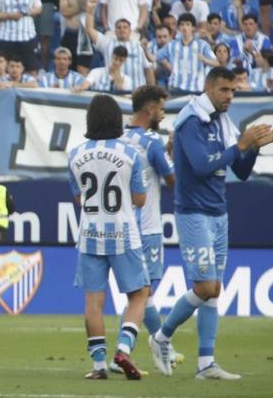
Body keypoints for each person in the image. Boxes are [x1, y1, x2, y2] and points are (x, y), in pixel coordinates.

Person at [150, 67, 273, 379]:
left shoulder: (222, 120)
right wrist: (242, 145)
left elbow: (242, 170)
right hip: (193, 211)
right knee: (205, 286)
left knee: (214, 289)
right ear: (208, 88)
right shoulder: (191, 120)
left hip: (219, 212)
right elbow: (201, 166)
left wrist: (255, 146)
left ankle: (206, 363)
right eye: (224, 90)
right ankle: (162, 336)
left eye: (233, 91)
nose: (230, 97)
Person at [67, 94, 149, 380]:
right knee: (139, 295)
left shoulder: (75, 155)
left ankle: (99, 366)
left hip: (89, 234)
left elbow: (79, 197)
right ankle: (124, 348)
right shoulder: (130, 154)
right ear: (117, 119)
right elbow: (140, 199)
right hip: (123, 233)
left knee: (93, 303)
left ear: (90, 119)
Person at [119, 85, 181, 370]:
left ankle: (159, 345)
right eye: (160, 108)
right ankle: (144, 346)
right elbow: (172, 180)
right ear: (149, 109)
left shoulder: (117, 138)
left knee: (141, 292)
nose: (162, 113)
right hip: (147, 226)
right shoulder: (152, 142)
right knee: (142, 293)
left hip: (122, 225)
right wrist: (173, 154)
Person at [160, 13, 219, 93]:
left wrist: (205, 60)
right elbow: (156, 57)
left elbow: (216, 63)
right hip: (175, 87)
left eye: (188, 24)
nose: (184, 27)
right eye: (182, 25)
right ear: (179, 28)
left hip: (196, 89)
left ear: (193, 28)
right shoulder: (172, 45)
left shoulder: (202, 45)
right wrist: (166, 64)